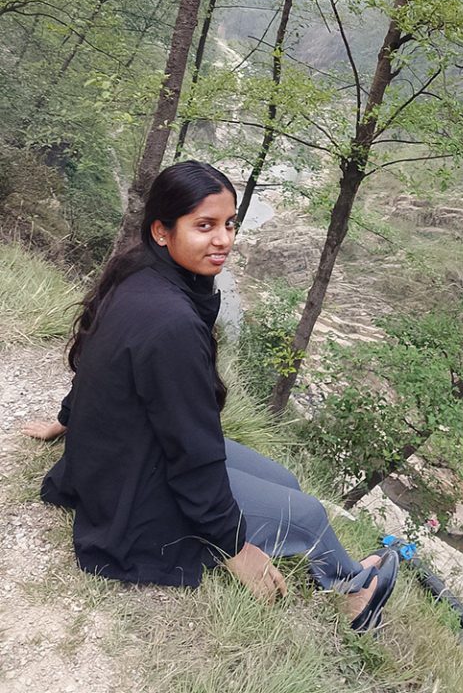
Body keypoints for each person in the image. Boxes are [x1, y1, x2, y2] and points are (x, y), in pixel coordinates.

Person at [22, 160, 398, 632]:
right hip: (131, 485)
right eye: (205, 226)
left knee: (283, 478)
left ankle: (320, 561)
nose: (223, 240)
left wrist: (65, 420)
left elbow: (98, 360)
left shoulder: (139, 274)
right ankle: (353, 595)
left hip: (126, 450)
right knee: (307, 516)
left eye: (229, 224)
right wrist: (235, 547)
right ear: (162, 231)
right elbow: (191, 450)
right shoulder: (171, 321)